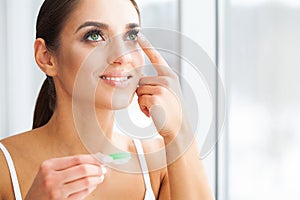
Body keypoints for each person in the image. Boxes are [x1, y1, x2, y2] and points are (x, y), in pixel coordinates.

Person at [0, 0, 213, 199]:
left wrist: (180, 131)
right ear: (46, 57)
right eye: (94, 36)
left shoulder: (158, 165)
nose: (122, 57)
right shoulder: (4, 167)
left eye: (131, 36)